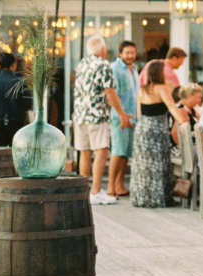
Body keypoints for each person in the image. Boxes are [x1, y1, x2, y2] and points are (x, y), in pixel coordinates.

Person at [73, 36, 134, 206]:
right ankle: (95, 191)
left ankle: (84, 191)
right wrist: (121, 113)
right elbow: (110, 92)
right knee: (101, 152)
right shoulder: (103, 64)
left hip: (80, 115)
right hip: (97, 114)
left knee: (84, 152)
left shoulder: (82, 64)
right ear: (102, 50)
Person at [131, 60, 187, 209]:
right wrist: (183, 122)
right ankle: (160, 197)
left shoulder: (142, 90)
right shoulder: (162, 88)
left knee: (143, 165)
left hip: (142, 129)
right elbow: (172, 107)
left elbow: (139, 113)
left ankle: (143, 197)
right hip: (157, 129)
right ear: (159, 73)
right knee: (159, 164)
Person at [108, 41, 139, 199]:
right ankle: (110, 187)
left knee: (125, 154)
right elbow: (112, 94)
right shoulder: (114, 68)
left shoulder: (134, 68)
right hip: (119, 117)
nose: (130, 56)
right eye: (127, 53)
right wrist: (121, 114)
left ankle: (119, 185)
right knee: (118, 151)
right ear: (120, 53)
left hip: (133, 117)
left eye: (132, 53)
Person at [0, 51, 32, 150]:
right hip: (17, 123)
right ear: (13, 65)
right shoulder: (19, 80)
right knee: (17, 152)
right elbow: (27, 104)